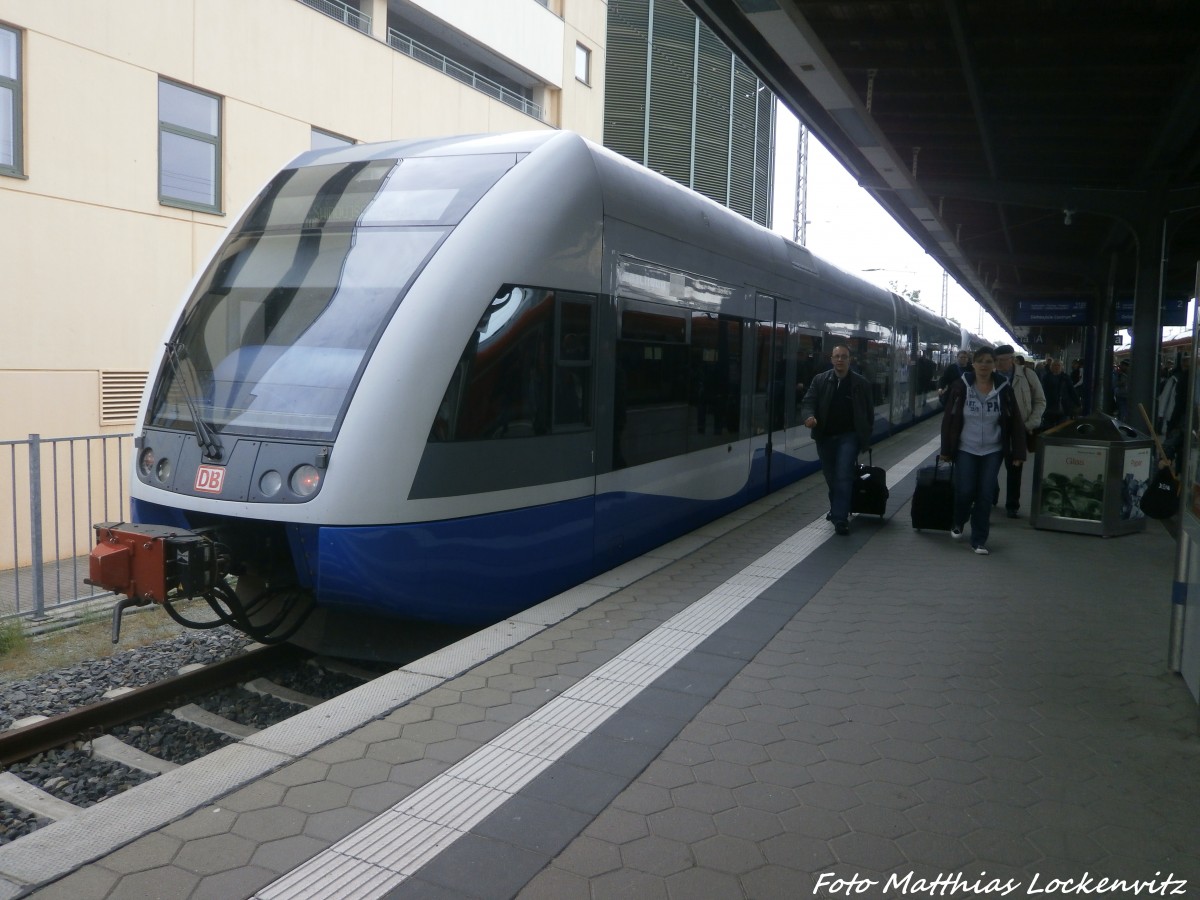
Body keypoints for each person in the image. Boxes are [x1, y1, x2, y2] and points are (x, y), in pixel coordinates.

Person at [940, 346, 1027, 555]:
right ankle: (959, 520)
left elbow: (1015, 421)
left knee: (985, 494)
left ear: (994, 365)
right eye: (980, 361)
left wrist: (1018, 453)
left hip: (993, 449)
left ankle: (979, 540)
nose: (984, 365)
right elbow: (949, 420)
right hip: (966, 448)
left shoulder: (1004, 388)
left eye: (989, 361)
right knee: (965, 491)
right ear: (973, 364)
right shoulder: (960, 387)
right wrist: (946, 450)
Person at [801, 344, 874, 536]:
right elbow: (809, 401)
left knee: (843, 474)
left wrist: (865, 435)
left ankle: (840, 518)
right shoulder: (820, 380)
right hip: (825, 436)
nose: (840, 360)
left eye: (844, 357)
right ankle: (836, 508)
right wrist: (809, 417)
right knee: (831, 476)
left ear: (850, 360)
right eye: (837, 356)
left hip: (849, 436)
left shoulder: (861, 384)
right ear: (831, 359)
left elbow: (868, 413)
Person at [993, 344, 1045, 518]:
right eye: (997, 361)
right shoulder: (990, 377)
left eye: (1003, 360)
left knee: (1015, 468)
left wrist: (1031, 423)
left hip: (1019, 429)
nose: (999, 364)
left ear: (1012, 359)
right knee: (990, 467)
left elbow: (1040, 400)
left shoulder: (1027, 375)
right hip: (994, 429)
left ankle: (1012, 505)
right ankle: (991, 497)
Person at [1040, 357, 1079, 429]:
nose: (1057, 367)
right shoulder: (1046, 377)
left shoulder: (1066, 377)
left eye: (1058, 365)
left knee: (1062, 427)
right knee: (1048, 427)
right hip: (1049, 406)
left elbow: (1071, 391)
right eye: (1054, 365)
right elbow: (1042, 391)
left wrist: (1077, 403)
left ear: (1062, 367)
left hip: (1063, 406)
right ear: (1051, 367)